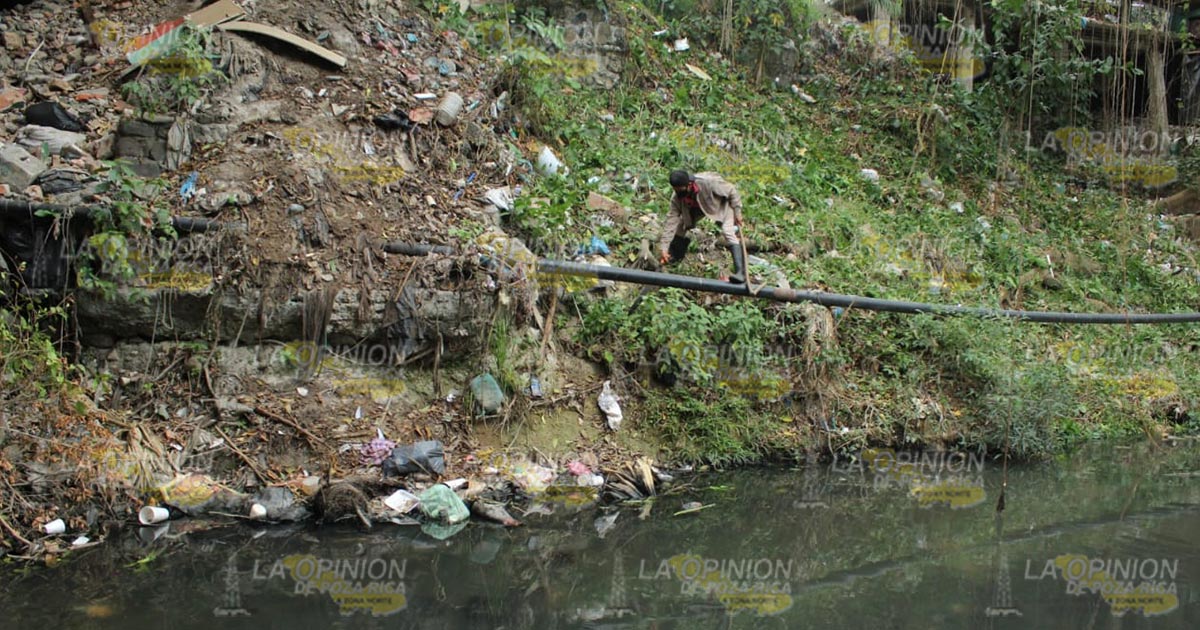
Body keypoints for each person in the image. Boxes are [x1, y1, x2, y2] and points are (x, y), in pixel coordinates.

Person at [658, 169, 746, 284]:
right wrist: (664, 248)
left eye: (681, 190)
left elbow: (731, 191)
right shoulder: (677, 197)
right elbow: (671, 221)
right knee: (680, 226)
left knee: (728, 231)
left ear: (689, 185)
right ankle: (674, 258)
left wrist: (738, 213)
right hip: (696, 209)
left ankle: (740, 272)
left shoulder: (708, 183)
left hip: (720, 205)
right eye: (676, 190)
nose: (678, 193)